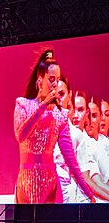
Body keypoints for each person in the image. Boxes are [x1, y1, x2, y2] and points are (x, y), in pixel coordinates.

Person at [13, 50, 94, 203]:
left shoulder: (61, 114)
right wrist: (43, 105)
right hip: (25, 180)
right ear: (40, 80)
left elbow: (70, 158)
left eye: (57, 79)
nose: (55, 84)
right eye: (51, 79)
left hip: (49, 182)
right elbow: (21, 135)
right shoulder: (22, 104)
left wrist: (88, 192)